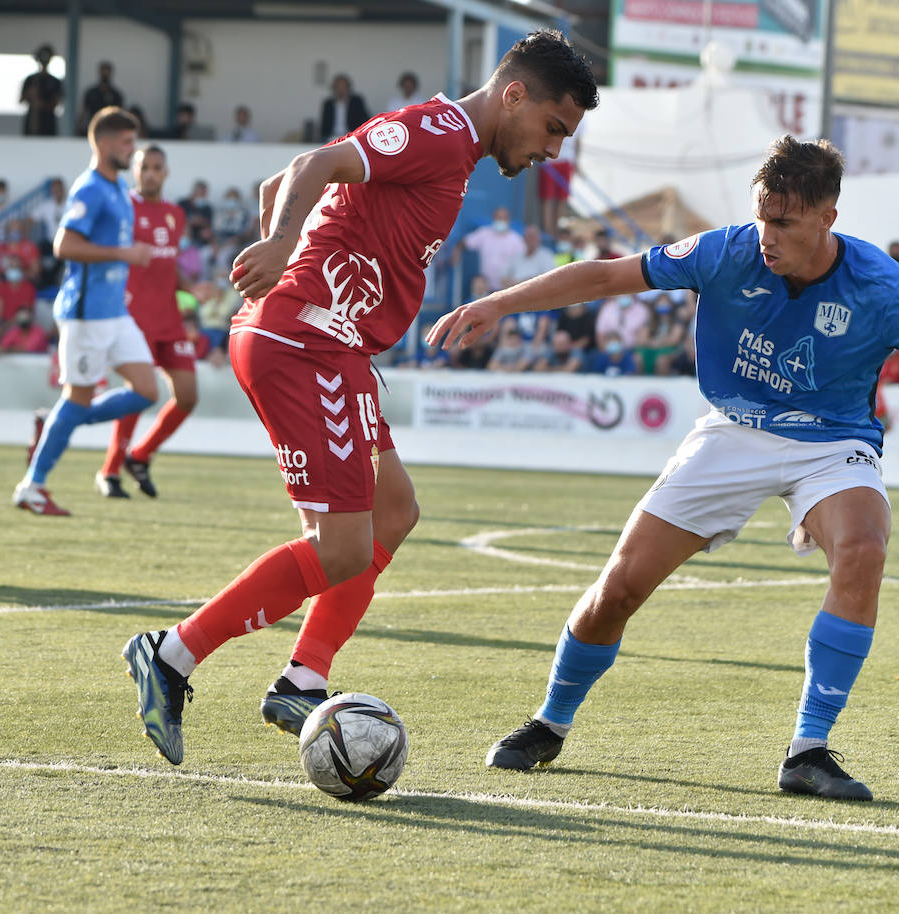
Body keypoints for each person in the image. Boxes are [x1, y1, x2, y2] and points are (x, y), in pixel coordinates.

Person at [426, 135, 899, 801]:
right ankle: (549, 722)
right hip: (733, 428)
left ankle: (808, 749)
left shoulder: (884, 288)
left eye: (784, 222)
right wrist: (499, 303)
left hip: (833, 442)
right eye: (762, 215)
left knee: (862, 550)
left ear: (827, 218)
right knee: (619, 588)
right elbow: (604, 275)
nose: (766, 234)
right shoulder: (726, 251)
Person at [121, 29, 599, 765]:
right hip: (305, 344)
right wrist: (286, 256)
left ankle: (303, 679)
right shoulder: (441, 134)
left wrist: (288, 254)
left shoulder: (451, 146)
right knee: (342, 549)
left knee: (395, 511)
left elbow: (279, 183)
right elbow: (312, 164)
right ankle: (172, 655)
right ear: (514, 95)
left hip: (329, 345)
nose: (553, 150)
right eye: (553, 128)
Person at [12, 107, 156, 517]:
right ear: (105, 143)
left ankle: (58, 422)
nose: (132, 149)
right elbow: (64, 245)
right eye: (127, 142)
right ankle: (32, 487)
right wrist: (123, 253)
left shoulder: (118, 189)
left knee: (146, 390)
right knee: (77, 397)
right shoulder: (90, 188)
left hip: (114, 313)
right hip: (85, 313)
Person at [96, 144, 197, 500]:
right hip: (135, 318)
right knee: (138, 395)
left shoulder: (174, 214)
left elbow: (168, 265)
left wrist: (192, 288)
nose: (151, 173)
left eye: (157, 167)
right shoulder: (123, 207)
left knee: (187, 396)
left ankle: (139, 456)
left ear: (166, 172)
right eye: (145, 167)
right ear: (135, 171)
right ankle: (110, 471)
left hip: (169, 317)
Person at [21, 44, 63, 137]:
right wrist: (30, 94)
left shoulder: (55, 81)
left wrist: (42, 104)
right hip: (32, 122)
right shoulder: (31, 80)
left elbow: (57, 101)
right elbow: (21, 100)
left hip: (48, 123)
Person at [318, 74, 371, 142]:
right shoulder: (328, 104)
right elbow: (324, 125)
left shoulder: (356, 102)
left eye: (343, 87)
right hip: (331, 138)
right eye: (338, 87)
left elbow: (365, 120)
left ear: (348, 88)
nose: (341, 90)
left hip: (352, 137)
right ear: (334, 88)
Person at [78, 61, 123, 136]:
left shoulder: (116, 95)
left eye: (107, 71)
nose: (105, 73)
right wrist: (79, 127)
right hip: (93, 127)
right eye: (103, 71)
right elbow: (84, 111)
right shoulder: (91, 93)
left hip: (110, 129)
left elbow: (119, 114)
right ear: (99, 72)